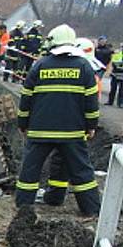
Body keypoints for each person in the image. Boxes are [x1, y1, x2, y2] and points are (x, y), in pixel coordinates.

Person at [15, 24, 100, 217]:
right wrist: (91, 126)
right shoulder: (84, 67)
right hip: (72, 133)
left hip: (39, 131)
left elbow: (26, 98)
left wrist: (22, 124)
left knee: (30, 171)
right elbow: (91, 102)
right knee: (81, 172)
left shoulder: (40, 65)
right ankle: (92, 210)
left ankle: (23, 209)